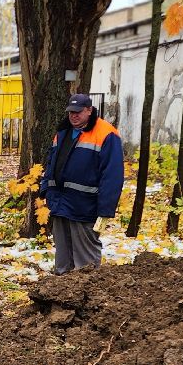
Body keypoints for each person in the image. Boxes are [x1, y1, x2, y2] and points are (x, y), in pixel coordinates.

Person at [39, 93, 124, 275]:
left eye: (78, 112)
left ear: (89, 110)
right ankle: (60, 294)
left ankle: (86, 293)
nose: (73, 116)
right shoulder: (63, 132)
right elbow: (51, 162)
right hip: (60, 203)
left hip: (85, 206)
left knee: (86, 261)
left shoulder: (106, 134)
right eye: (71, 112)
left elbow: (112, 175)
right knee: (63, 258)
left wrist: (105, 210)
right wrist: (45, 189)